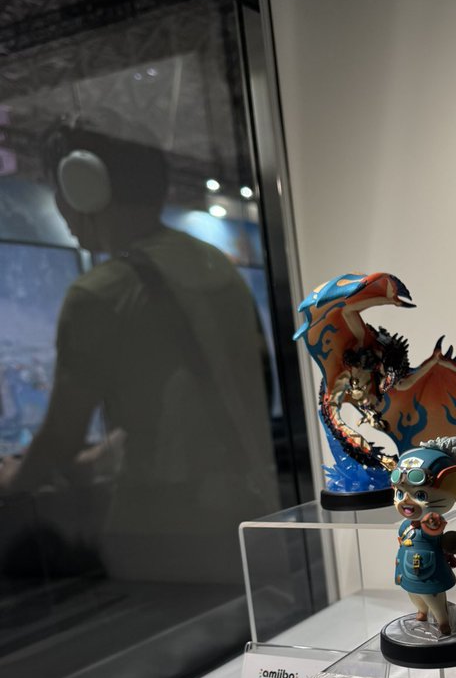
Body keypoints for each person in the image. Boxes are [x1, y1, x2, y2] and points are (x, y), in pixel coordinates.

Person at [0, 111, 278, 584]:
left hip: (161, 530)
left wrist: (15, 481)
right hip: (245, 514)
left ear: (85, 187)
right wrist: (108, 453)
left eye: (60, 190)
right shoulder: (215, 266)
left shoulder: (99, 293)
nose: (62, 208)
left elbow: (63, 435)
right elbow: (196, 396)